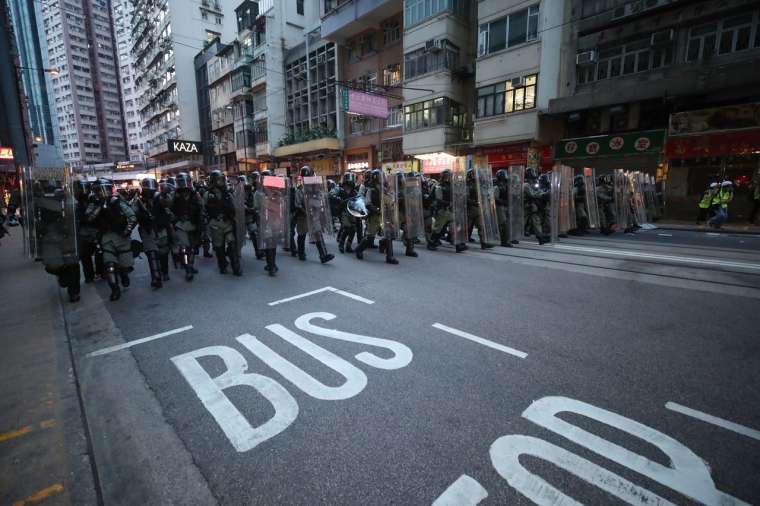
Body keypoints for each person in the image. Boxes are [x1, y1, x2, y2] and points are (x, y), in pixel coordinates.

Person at [86, 178, 137, 301]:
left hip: (121, 236)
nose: (101, 192)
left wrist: (127, 231)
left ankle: (124, 275)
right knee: (109, 265)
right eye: (98, 190)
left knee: (125, 266)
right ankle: (114, 289)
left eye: (103, 189)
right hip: (106, 238)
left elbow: (132, 216)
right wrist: (99, 207)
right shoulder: (94, 203)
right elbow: (89, 218)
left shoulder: (118, 201)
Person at [35, 178, 81, 302]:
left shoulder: (66, 198)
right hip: (51, 237)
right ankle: (64, 277)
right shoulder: (40, 201)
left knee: (72, 264)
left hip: (67, 236)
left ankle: (74, 292)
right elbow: (34, 219)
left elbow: (74, 211)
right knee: (52, 265)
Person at [135, 178, 172, 289]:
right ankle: (156, 278)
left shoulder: (159, 197)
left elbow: (167, 204)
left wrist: (164, 195)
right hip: (148, 230)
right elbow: (133, 214)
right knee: (152, 254)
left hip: (160, 229)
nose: (148, 191)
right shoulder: (138, 201)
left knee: (163, 252)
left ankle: (164, 272)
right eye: (146, 188)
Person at [294, 165, 335, 263]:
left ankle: (323, 255)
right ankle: (301, 253)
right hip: (303, 217)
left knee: (318, 234)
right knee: (302, 235)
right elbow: (298, 205)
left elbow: (320, 200)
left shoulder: (315, 188)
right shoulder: (300, 190)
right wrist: (307, 213)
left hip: (314, 216)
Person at [355, 169, 397, 264]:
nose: (382, 178)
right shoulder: (371, 190)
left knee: (388, 235)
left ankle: (389, 257)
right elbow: (368, 204)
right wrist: (377, 210)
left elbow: (390, 200)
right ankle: (359, 249)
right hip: (374, 216)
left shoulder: (385, 189)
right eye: (380, 177)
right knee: (370, 237)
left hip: (385, 215)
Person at [204, 170, 241, 275]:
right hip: (215, 223)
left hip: (227, 222)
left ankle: (236, 267)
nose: (221, 181)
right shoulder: (207, 194)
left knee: (232, 244)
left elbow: (234, 206)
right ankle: (222, 265)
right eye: (219, 179)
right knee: (219, 247)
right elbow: (203, 209)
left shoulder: (228, 192)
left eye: (222, 179)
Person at [172, 173, 203, 281]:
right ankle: (188, 269)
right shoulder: (174, 195)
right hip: (180, 224)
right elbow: (169, 209)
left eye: (184, 181)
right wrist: (175, 220)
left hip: (193, 224)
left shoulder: (195, 194)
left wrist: (201, 223)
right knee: (185, 247)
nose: (183, 184)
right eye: (180, 182)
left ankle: (190, 265)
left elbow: (201, 208)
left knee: (193, 247)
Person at [429, 169, 467, 253]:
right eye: (449, 175)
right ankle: (431, 243)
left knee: (455, 226)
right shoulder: (439, 186)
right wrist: (449, 203)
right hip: (442, 211)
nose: (450, 177)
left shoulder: (452, 186)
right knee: (438, 229)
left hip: (449, 211)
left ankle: (458, 244)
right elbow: (438, 200)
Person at [74, 179, 102, 282]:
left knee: (99, 252)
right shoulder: (76, 202)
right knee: (85, 256)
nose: (82, 191)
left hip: (94, 231)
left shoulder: (94, 199)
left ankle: (99, 272)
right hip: (84, 232)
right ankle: (90, 276)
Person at [333, 172, 358, 253]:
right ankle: (341, 244)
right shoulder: (339, 189)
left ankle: (348, 246)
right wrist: (340, 200)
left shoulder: (354, 191)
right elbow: (331, 194)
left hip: (352, 212)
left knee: (353, 229)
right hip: (344, 212)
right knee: (347, 228)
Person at [524, 168, 550, 244]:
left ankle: (540, 237)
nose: (533, 179)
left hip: (532, 207)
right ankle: (513, 237)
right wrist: (542, 194)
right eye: (532, 178)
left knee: (536, 221)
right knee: (523, 222)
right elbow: (533, 195)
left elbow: (537, 192)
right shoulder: (526, 185)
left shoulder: (532, 184)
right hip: (525, 207)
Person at [397, 172, 418, 257]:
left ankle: (410, 249)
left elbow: (416, 200)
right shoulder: (396, 188)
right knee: (392, 231)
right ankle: (384, 244)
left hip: (408, 212)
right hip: (399, 212)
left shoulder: (412, 189)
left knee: (410, 230)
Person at [493, 170, 513, 247]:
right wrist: (502, 202)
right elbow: (495, 198)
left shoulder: (506, 185)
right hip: (499, 206)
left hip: (505, 206)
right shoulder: (497, 186)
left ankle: (507, 239)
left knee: (507, 223)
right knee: (503, 224)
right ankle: (504, 241)